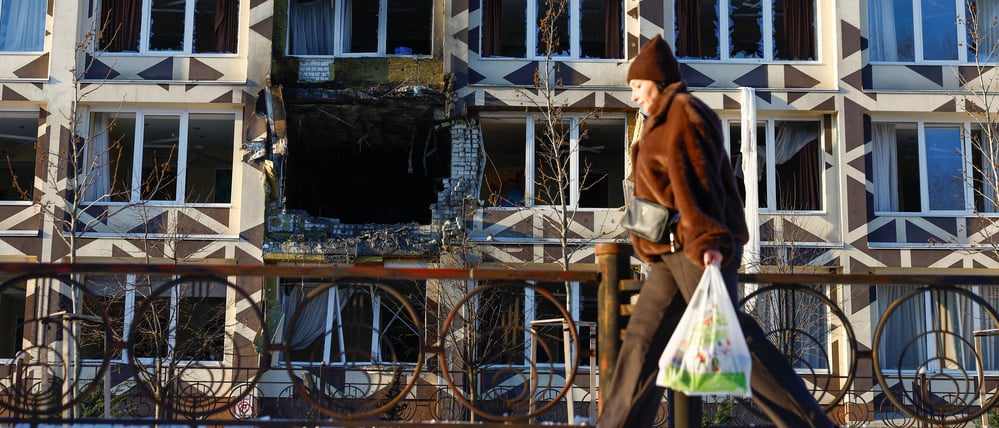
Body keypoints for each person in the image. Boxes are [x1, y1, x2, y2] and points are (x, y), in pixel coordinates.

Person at [597, 34, 836, 428]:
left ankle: (811, 423)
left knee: (735, 337)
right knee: (642, 339)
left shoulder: (685, 113)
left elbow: (699, 181)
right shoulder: (658, 122)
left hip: (697, 246)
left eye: (638, 87)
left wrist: (708, 242)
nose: (635, 96)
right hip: (668, 253)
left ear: (656, 82)